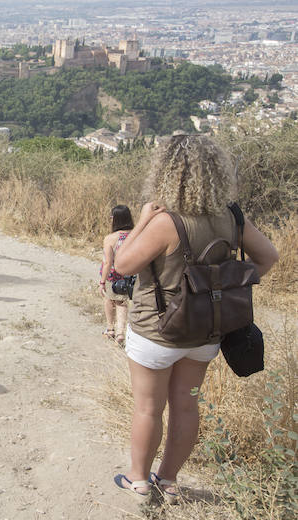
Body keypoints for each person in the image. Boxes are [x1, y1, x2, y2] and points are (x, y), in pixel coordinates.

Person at [112, 135, 278, 503]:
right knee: (186, 405)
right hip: (206, 331)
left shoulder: (165, 222)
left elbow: (122, 265)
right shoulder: (232, 217)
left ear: (168, 174)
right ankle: (168, 480)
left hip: (157, 331)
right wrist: (230, 280)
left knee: (148, 408)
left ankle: (138, 480)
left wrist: (140, 222)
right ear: (215, 174)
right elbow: (268, 258)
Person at [100, 205, 134, 346]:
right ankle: (119, 331)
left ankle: (112, 330)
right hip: (131, 273)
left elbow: (108, 262)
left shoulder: (110, 238)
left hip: (113, 275)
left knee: (109, 299)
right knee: (122, 302)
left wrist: (102, 281)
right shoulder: (136, 235)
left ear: (116, 219)